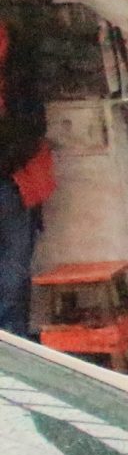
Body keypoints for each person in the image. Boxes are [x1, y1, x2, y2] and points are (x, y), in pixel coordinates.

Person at [0, 22, 54, 339]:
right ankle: (13, 349)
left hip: (15, 179)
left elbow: (29, 124)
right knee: (13, 276)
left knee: (13, 276)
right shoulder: (19, 57)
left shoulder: (18, 61)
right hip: (17, 178)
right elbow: (32, 124)